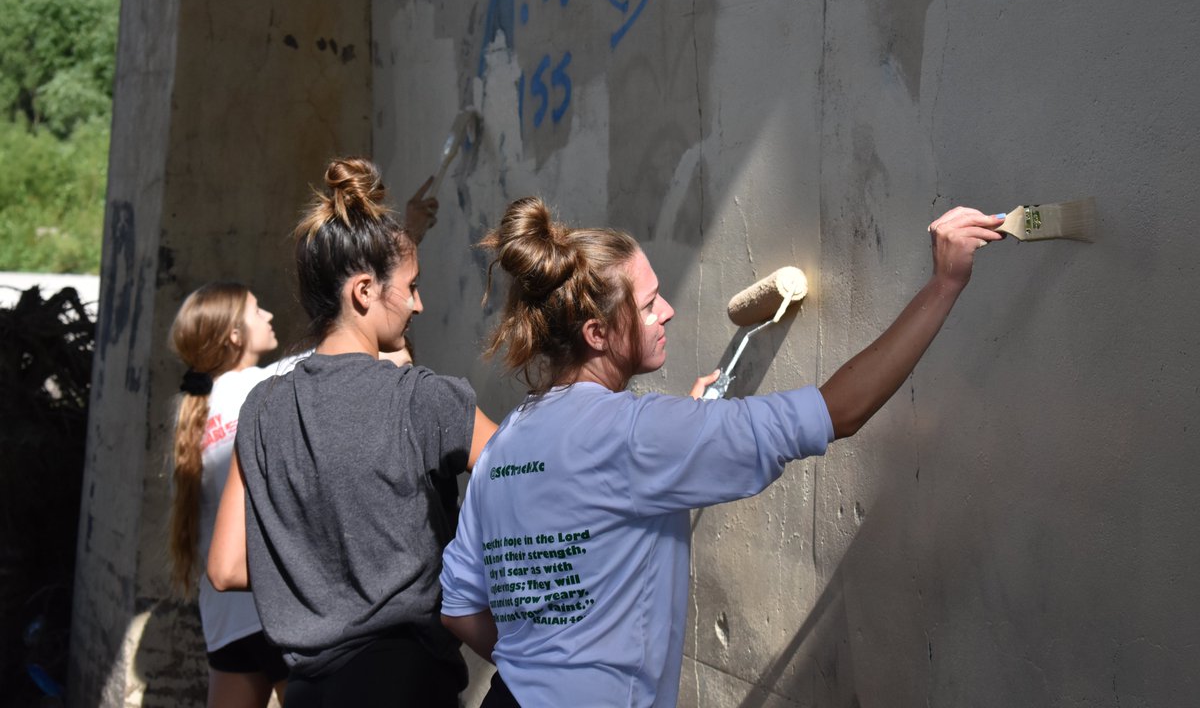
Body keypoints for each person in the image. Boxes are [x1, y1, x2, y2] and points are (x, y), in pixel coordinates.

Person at [439, 197, 1006, 707]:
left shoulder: (507, 440)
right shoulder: (638, 434)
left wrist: (543, 671)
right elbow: (840, 410)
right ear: (597, 333)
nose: (668, 312)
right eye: (650, 303)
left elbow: (460, 608)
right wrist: (944, 284)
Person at [207, 157, 497, 708]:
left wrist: (317, 576)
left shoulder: (261, 410)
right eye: (411, 287)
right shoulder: (422, 399)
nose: (418, 303)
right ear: (364, 291)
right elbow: (530, 475)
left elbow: (225, 569)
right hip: (412, 687)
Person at [168, 282, 288, 708]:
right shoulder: (269, 384)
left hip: (223, 617)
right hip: (275, 605)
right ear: (234, 334)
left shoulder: (189, 411)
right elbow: (351, 343)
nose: (269, 316)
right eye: (258, 311)